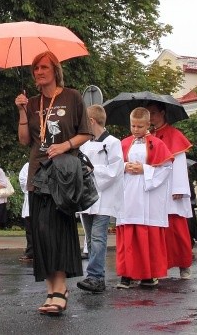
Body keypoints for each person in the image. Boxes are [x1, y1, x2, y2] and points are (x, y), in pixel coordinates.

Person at [14, 51, 92, 315]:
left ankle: (60, 289)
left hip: (62, 174)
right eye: (35, 68)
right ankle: (51, 290)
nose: (39, 72)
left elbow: (85, 133)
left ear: (55, 70)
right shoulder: (32, 101)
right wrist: (22, 112)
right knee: (42, 234)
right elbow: (25, 140)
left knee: (58, 231)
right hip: (38, 172)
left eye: (44, 67)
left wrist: (65, 146)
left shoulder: (71, 96)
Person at [116, 107, 173, 289]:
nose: (136, 129)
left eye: (140, 126)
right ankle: (127, 274)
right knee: (128, 237)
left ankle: (148, 275)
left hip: (148, 195)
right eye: (133, 125)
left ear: (148, 124)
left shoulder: (157, 144)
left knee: (147, 235)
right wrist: (124, 167)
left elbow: (166, 169)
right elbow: (114, 166)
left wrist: (145, 170)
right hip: (128, 194)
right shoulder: (123, 143)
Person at [76, 104, 124, 294]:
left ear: (91, 121)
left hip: (104, 199)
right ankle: (92, 276)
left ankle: (96, 277)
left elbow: (115, 170)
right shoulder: (84, 143)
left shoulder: (113, 143)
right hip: (87, 197)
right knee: (90, 238)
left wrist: (93, 170)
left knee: (98, 237)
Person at [147, 101, 194, 280]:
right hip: (154, 187)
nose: (151, 117)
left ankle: (184, 265)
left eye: (153, 113)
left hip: (171, 188)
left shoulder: (175, 135)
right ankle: (159, 266)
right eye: (148, 113)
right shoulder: (148, 135)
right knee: (157, 230)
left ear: (163, 113)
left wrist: (179, 188)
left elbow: (180, 164)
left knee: (177, 230)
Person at [17, 162, 32, 262]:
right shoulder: (27, 165)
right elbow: (22, 180)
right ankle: (30, 252)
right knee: (30, 230)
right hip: (30, 198)